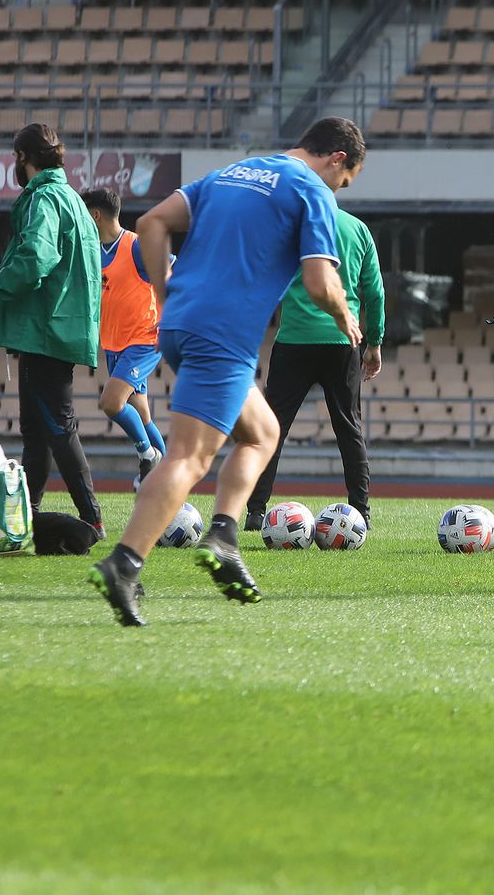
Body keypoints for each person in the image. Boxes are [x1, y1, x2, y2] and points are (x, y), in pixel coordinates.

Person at [88, 118, 363, 627]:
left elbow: (152, 223)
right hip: (222, 332)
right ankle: (123, 563)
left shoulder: (230, 174)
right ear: (337, 159)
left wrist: (167, 295)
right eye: (342, 182)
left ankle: (224, 537)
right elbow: (319, 281)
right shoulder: (310, 190)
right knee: (189, 457)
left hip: (182, 324)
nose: (337, 191)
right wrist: (345, 313)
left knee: (262, 433)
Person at [0, 123, 103, 538]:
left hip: (46, 331)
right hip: (58, 328)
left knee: (57, 427)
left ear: (23, 157)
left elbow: (36, 257)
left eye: (14, 157)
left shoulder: (45, 198)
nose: (13, 165)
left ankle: (92, 518)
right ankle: (27, 511)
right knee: (37, 431)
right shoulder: (72, 198)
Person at [245, 177, 384, 533]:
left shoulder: (292, 229)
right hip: (343, 340)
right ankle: (361, 513)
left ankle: (256, 511)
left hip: (294, 341)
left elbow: (264, 281)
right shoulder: (358, 229)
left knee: (272, 429)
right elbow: (374, 292)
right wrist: (374, 342)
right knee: (349, 429)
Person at [80, 187, 168, 490]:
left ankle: (148, 456)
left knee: (111, 402)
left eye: (83, 215)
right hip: (114, 344)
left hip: (143, 340)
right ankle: (168, 484)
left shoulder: (135, 246)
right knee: (142, 415)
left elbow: (172, 269)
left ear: (95, 215)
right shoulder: (94, 250)